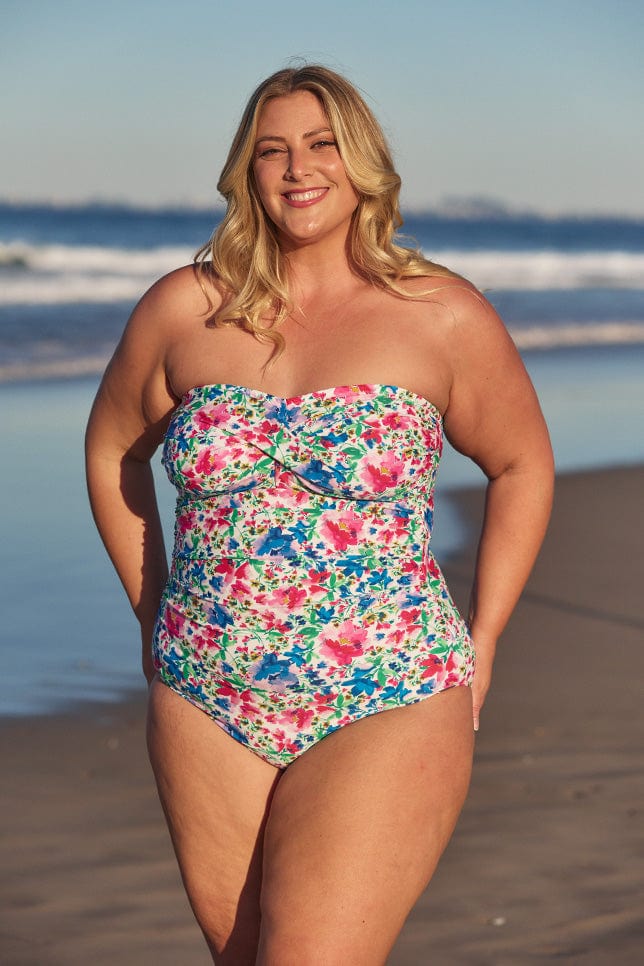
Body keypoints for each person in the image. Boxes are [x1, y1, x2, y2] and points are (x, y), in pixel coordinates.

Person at [85, 64, 554, 965]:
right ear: (246, 172)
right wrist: (153, 612)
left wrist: (486, 633)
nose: (298, 168)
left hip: (389, 687)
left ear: (361, 162)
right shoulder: (185, 308)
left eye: (321, 144)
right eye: (272, 150)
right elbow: (113, 452)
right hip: (205, 693)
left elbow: (521, 462)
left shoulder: (440, 314)